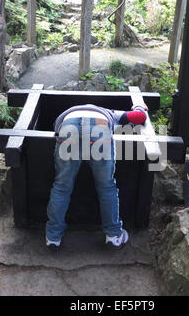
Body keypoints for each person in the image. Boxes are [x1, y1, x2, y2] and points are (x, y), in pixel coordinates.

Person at [46, 103, 148, 249]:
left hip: (68, 127)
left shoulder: (66, 113)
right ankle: (113, 235)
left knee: (61, 186)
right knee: (106, 186)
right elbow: (138, 117)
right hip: (100, 127)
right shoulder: (109, 112)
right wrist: (138, 106)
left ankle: (53, 237)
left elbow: (56, 128)